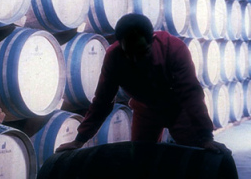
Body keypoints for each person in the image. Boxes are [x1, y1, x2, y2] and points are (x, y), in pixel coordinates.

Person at [56, 13, 231, 154]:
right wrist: (80, 139)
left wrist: (206, 136)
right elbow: (102, 101)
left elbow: (191, 94)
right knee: (140, 159)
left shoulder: (174, 49)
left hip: (178, 109)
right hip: (146, 109)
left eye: (141, 52)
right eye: (128, 54)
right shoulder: (114, 56)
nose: (134, 59)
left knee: (195, 154)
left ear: (152, 40)